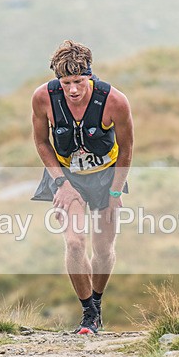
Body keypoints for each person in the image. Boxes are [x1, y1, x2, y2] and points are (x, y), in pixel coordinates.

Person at [31, 40, 134, 334]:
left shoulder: (114, 101)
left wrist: (115, 192)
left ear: (89, 75)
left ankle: (97, 303)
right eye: (66, 83)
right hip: (67, 176)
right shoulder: (43, 98)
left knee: (103, 249)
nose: (73, 90)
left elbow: (127, 149)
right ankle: (88, 313)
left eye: (79, 81)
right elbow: (41, 142)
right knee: (75, 242)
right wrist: (61, 183)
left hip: (106, 176)